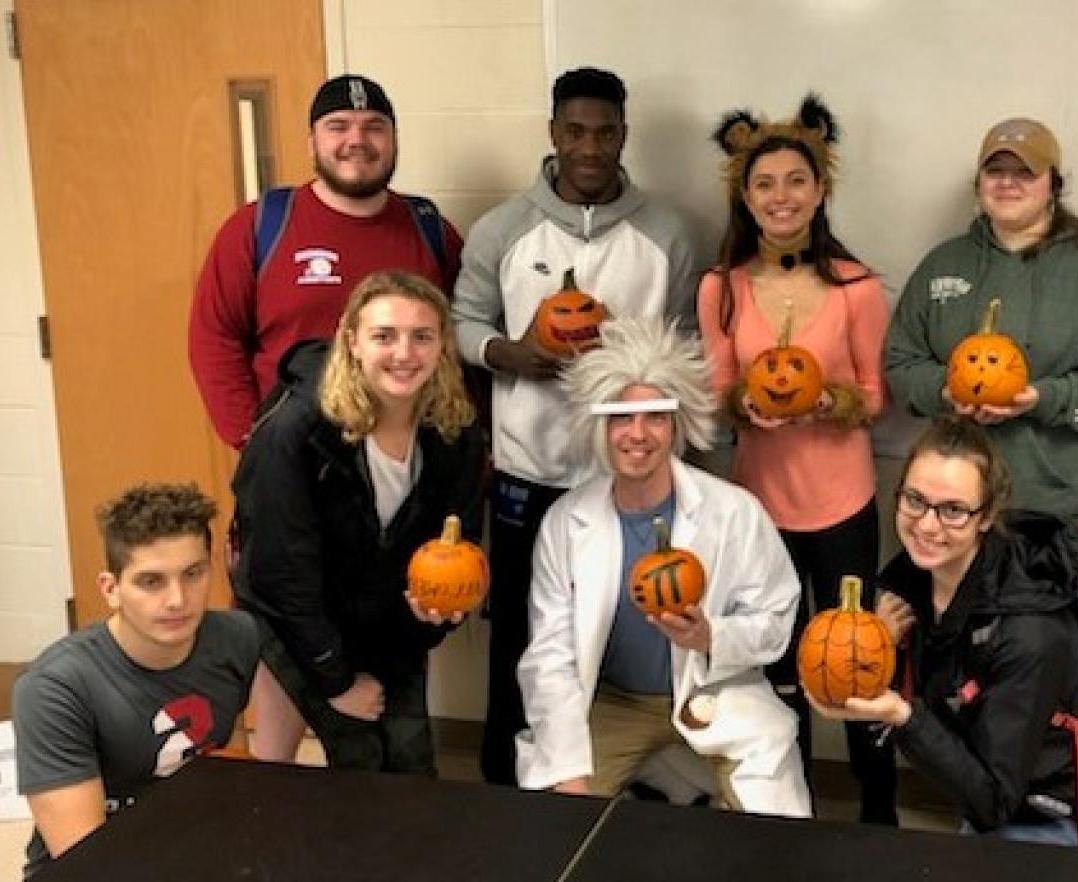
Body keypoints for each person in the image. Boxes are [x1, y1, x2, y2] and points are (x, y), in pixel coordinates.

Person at [453, 67, 701, 785]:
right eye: (575, 130)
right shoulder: (503, 228)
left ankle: (606, 781)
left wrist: (637, 364)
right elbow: (462, 321)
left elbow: (689, 347)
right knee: (524, 643)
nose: (590, 147)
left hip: (627, 477)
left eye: (605, 132)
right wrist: (513, 353)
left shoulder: (669, 233)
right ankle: (508, 781)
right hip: (529, 473)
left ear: (624, 135)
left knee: (623, 631)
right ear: (553, 132)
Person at [810, 416, 1078, 881]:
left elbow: (992, 799)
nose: (927, 525)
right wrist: (879, 652)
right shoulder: (908, 584)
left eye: (953, 510)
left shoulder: (1030, 632)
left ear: (987, 517)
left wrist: (902, 716)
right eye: (915, 501)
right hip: (1005, 798)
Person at [516, 316, 810, 816]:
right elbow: (551, 656)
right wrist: (568, 770)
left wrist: (711, 637)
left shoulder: (734, 512)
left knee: (775, 829)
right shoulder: (567, 522)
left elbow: (777, 619)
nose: (638, 434)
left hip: (715, 694)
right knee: (555, 825)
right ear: (600, 427)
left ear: (676, 425)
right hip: (614, 704)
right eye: (621, 419)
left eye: (655, 417)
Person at [696, 94, 896, 822]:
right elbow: (716, 388)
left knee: (859, 657)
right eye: (765, 184)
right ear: (745, 198)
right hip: (759, 508)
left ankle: (879, 811)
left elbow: (877, 395)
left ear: (821, 191)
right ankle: (794, 810)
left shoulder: (857, 287)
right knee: (777, 668)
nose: (781, 197)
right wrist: (739, 404)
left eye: (795, 181)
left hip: (842, 501)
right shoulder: (720, 288)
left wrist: (830, 403)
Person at [230, 270, 486, 775]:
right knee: (362, 761)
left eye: (422, 336)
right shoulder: (295, 432)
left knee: (410, 767)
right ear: (352, 341)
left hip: (388, 616)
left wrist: (437, 613)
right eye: (384, 336)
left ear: (442, 346)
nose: (404, 353)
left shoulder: (455, 431)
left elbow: (460, 538)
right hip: (296, 615)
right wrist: (338, 680)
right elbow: (282, 570)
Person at [885, 117, 1078, 561]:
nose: (1008, 183)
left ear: (1053, 184)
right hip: (964, 512)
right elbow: (901, 363)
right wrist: (947, 391)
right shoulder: (943, 265)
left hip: (1077, 510)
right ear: (979, 183)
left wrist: (1043, 397)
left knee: (1075, 632)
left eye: (1025, 172)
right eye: (996, 171)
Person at [189, 73, 463, 450]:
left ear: (394, 140)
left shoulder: (430, 229)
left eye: (374, 128)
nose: (357, 141)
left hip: (411, 450)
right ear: (312, 142)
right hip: (296, 451)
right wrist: (253, 439)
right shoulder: (259, 226)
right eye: (338, 127)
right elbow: (215, 337)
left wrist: (468, 435)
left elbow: (459, 337)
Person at [13, 484, 259, 877]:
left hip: (193, 848)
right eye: (151, 582)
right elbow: (89, 863)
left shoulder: (238, 638)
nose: (178, 599)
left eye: (193, 574)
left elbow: (231, 768)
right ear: (111, 589)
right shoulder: (54, 689)